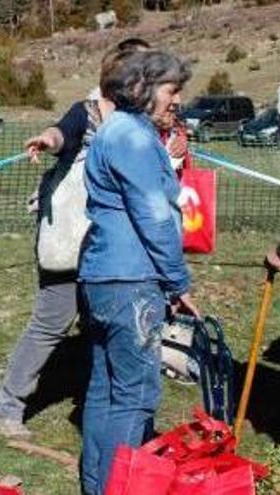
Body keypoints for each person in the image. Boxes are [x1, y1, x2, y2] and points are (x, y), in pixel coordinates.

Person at [0, 39, 152, 440]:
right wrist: (47, 140)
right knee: (51, 323)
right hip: (69, 242)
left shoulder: (142, 123)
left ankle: (109, 405)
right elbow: (62, 132)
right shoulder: (88, 112)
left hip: (115, 248)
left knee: (108, 325)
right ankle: (7, 406)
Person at [78, 50, 199, 495]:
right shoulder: (134, 138)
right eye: (171, 89)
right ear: (142, 89)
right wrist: (177, 280)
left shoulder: (114, 132)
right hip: (131, 282)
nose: (177, 99)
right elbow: (154, 215)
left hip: (100, 278)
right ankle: (118, 488)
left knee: (104, 389)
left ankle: (96, 483)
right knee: (135, 396)